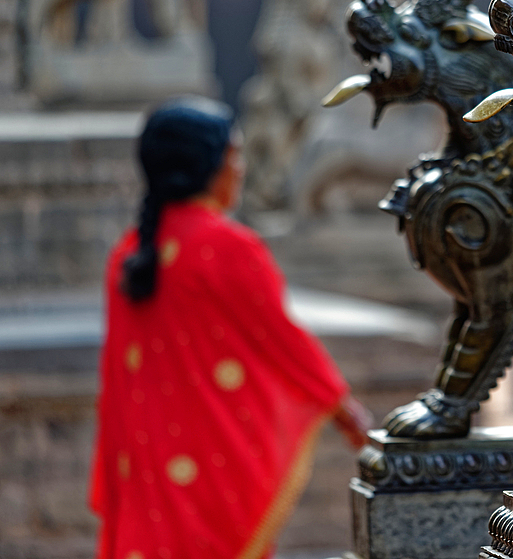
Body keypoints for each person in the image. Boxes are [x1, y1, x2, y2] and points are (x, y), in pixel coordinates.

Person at [90, 96, 371, 559]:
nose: (241, 168)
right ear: (210, 165)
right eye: (234, 154)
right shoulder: (226, 247)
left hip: (142, 469)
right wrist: (345, 410)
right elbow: (283, 342)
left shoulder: (128, 254)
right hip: (205, 470)